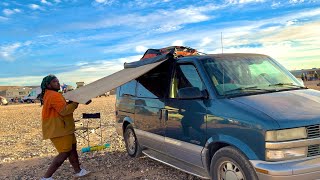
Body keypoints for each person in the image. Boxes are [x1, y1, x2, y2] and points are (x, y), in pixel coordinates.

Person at [39, 75, 90, 180]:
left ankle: (78, 171)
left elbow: (62, 106)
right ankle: (46, 177)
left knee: (72, 150)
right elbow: (64, 111)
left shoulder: (52, 94)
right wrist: (76, 102)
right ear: (48, 85)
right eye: (54, 82)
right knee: (64, 152)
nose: (57, 83)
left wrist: (75, 101)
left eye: (57, 81)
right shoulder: (53, 95)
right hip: (59, 129)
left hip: (65, 128)